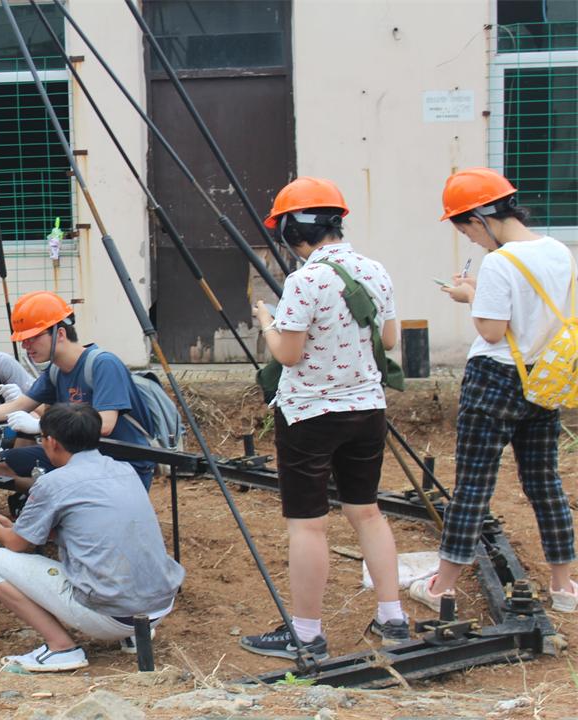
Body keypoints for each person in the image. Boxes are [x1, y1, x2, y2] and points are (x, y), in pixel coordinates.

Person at [243, 177, 407, 660]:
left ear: (292, 230)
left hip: (311, 415)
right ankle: (393, 619)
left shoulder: (304, 280)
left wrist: (267, 323)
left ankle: (307, 633)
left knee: (308, 525)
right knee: (367, 512)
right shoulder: (375, 270)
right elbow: (390, 340)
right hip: (367, 410)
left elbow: (288, 355)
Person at [409, 168, 576, 615]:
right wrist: (481, 291)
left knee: (473, 488)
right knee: (545, 485)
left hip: (495, 381)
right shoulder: (557, 251)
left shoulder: (500, 261)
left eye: (465, 228)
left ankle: (442, 586)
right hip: (544, 379)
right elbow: (531, 307)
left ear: (480, 217)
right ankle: (564, 586)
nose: (470, 240)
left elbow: (493, 329)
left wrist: (468, 299)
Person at [0, 404, 184, 672]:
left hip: (111, 615)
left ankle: (60, 647)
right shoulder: (124, 469)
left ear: (51, 442)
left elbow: (18, 544)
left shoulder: (53, 483)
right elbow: (88, 528)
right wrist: (17, 528)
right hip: (158, 607)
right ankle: (134, 637)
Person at [0, 291, 160, 490]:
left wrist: (40, 426)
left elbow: (104, 425)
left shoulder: (103, 365)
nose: (25, 346)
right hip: (79, 456)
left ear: (60, 334)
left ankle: (57, 501)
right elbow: (21, 404)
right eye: (23, 340)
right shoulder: (56, 370)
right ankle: (44, 499)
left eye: (32, 338)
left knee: (67, 493)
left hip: (121, 462)